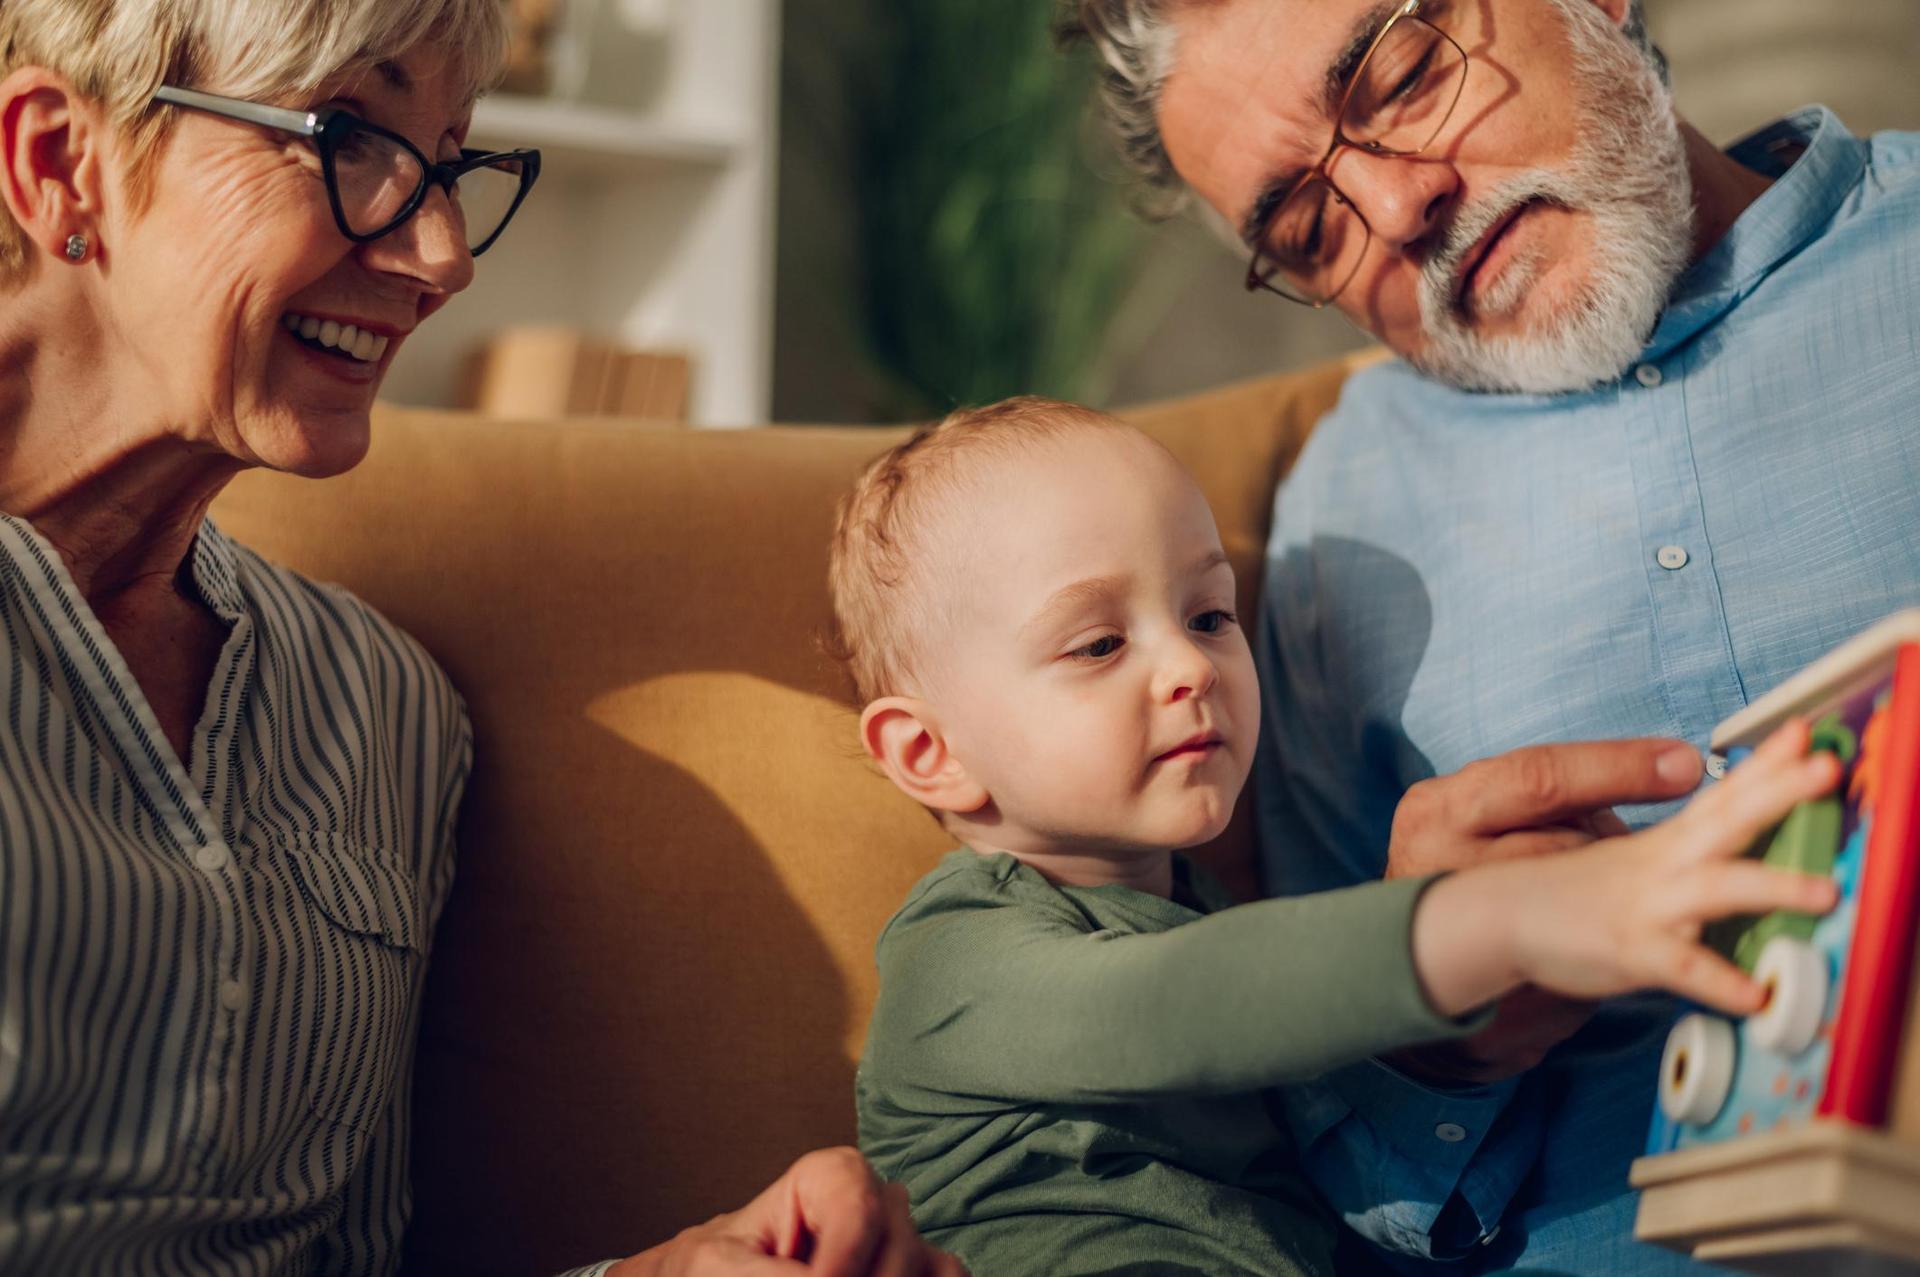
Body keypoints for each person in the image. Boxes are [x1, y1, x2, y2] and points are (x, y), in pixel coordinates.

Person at [0, 2, 958, 1273]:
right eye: (345, 136)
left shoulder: (381, 712)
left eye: (450, 164)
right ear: (57, 162)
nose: (445, 256)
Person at [1063, 0, 1920, 1269]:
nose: (1397, 210)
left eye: (1404, 75)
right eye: (1306, 227)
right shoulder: (1334, 531)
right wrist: (1429, 1035)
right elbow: (1338, 1166)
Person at [828, 396, 1841, 1276]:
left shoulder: (1196, 904)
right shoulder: (954, 958)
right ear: (929, 753)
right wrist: (1512, 915)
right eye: (1099, 642)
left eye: (1210, 614)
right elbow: (1177, 1005)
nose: (1188, 665)